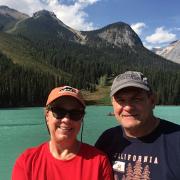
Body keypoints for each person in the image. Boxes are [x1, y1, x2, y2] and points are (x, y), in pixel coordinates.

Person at [12, 85, 113, 180]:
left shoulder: (99, 161)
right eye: (58, 111)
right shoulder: (27, 162)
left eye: (75, 113)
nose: (66, 119)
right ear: (47, 115)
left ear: (82, 118)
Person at [95, 71, 180, 180]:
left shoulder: (176, 139)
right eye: (120, 100)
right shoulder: (107, 139)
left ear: (152, 101)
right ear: (113, 103)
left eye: (136, 99)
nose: (128, 107)